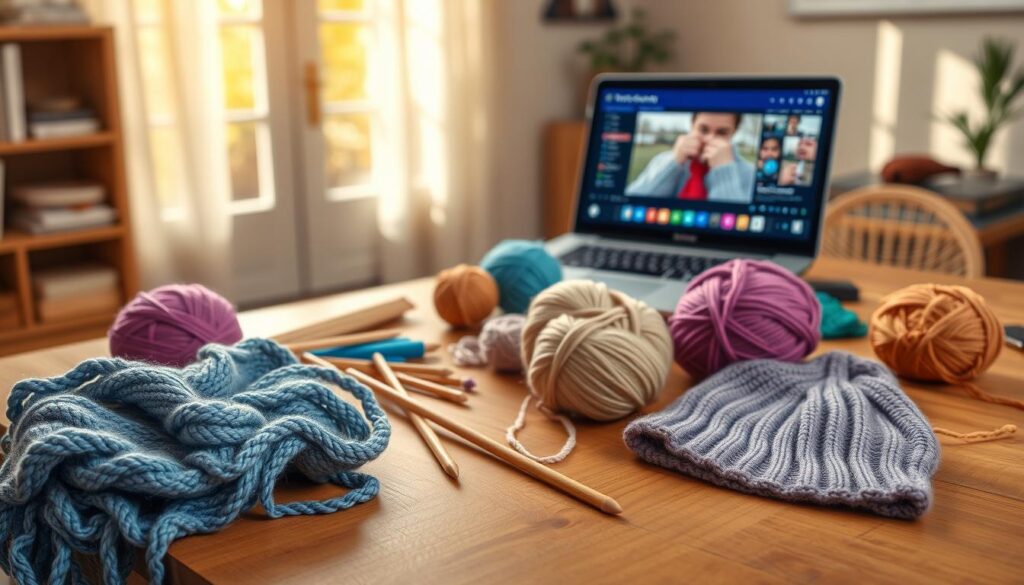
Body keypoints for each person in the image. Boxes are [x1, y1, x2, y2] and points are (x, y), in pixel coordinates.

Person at [625, 112, 755, 202]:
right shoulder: (662, 160)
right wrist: (673, 163)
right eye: (703, 130)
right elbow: (629, 203)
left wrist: (724, 171)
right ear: (692, 126)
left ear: (734, 133)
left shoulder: (750, 173)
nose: (710, 139)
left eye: (722, 133)